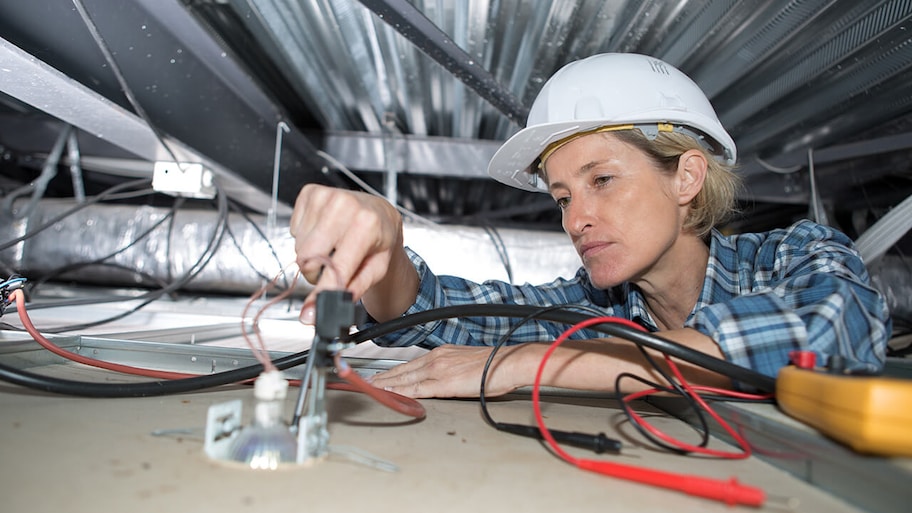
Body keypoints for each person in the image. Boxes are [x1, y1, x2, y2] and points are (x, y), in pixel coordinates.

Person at [290, 53, 891, 398]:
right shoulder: (593, 307)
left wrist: (533, 363)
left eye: (602, 180)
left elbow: (831, 330)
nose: (576, 218)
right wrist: (386, 245)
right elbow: (438, 312)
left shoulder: (793, 255)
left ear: (685, 179)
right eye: (561, 197)